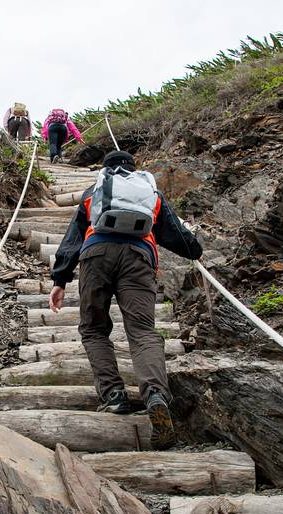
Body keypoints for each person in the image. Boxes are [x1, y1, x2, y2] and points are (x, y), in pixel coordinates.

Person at [48, 149, 202, 449]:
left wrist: (60, 280)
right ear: (134, 168)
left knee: (94, 329)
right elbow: (175, 233)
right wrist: (195, 250)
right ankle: (156, 395)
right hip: (138, 257)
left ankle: (114, 395)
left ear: (104, 169)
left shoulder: (96, 191)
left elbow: (73, 237)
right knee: (142, 331)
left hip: (96, 254)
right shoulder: (149, 192)